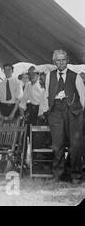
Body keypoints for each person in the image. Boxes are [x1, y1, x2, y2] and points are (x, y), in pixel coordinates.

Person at [44, 50, 85, 184]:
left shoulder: (76, 76)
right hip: (55, 112)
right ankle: (58, 175)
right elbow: (47, 95)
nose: (60, 63)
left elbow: (83, 99)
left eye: (63, 60)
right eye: (58, 60)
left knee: (76, 144)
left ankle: (75, 175)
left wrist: (78, 114)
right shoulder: (49, 76)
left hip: (73, 112)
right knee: (57, 145)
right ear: (54, 62)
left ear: (67, 60)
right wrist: (48, 111)